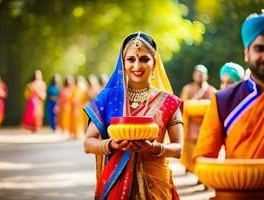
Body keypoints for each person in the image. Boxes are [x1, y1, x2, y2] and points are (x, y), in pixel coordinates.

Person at [84, 32, 183, 199]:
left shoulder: (169, 101)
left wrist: (155, 148)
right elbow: (88, 143)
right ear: (123, 63)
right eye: (131, 59)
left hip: (156, 185)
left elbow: (178, 149)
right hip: (116, 182)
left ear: (155, 63)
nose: (137, 66)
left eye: (144, 59)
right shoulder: (108, 97)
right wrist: (112, 145)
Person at [192, 12, 264, 163]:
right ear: (246, 53)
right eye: (260, 48)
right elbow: (203, 161)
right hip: (237, 186)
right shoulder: (222, 101)